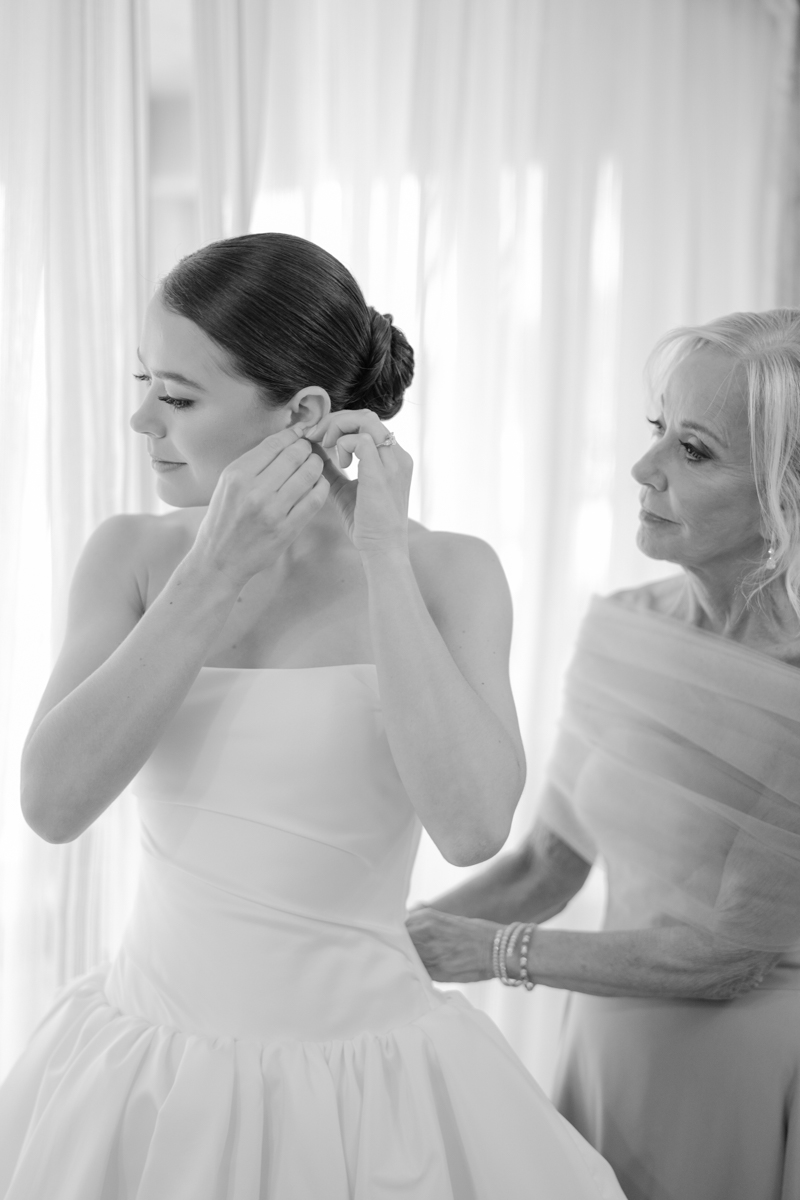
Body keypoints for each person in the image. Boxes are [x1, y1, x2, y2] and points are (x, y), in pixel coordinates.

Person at [0, 233, 625, 1199]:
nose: (140, 418)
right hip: (149, 1075)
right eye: (144, 383)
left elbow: (470, 827)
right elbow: (51, 804)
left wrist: (384, 553)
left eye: (177, 397)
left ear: (300, 412)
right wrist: (211, 574)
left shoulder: (450, 572)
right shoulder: (131, 556)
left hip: (374, 1085)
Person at [408, 308, 800, 1200]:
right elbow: (547, 864)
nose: (643, 467)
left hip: (740, 1072)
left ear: (787, 494)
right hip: (605, 1048)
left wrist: (492, 952)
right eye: (660, 429)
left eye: (693, 451)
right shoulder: (626, 625)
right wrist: (384, 938)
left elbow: (726, 955)